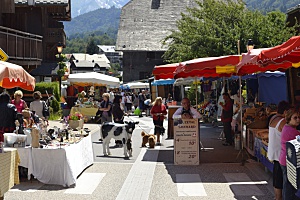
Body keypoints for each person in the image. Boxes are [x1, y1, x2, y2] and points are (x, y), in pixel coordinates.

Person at [267, 101, 290, 200]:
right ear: (285, 111)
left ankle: (277, 197)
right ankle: (279, 197)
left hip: (275, 152)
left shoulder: (273, 118)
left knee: (277, 178)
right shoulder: (282, 122)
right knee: (281, 179)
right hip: (280, 153)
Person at [279, 108, 300, 200]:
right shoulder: (291, 131)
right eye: (295, 118)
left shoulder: (287, 127)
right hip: (289, 161)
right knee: (289, 186)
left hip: (285, 159)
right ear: (289, 119)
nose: (298, 119)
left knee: (287, 184)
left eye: (299, 117)